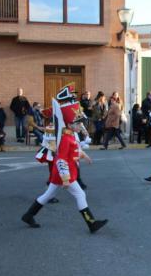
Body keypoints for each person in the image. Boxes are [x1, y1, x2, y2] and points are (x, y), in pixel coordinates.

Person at [21, 84, 107, 233]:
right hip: (64, 173)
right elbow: (61, 159)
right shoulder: (66, 139)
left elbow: (73, 151)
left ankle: (29, 215)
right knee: (80, 194)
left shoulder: (69, 136)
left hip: (61, 173)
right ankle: (91, 223)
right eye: (78, 123)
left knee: (48, 194)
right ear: (69, 124)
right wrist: (66, 179)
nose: (80, 125)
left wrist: (84, 155)